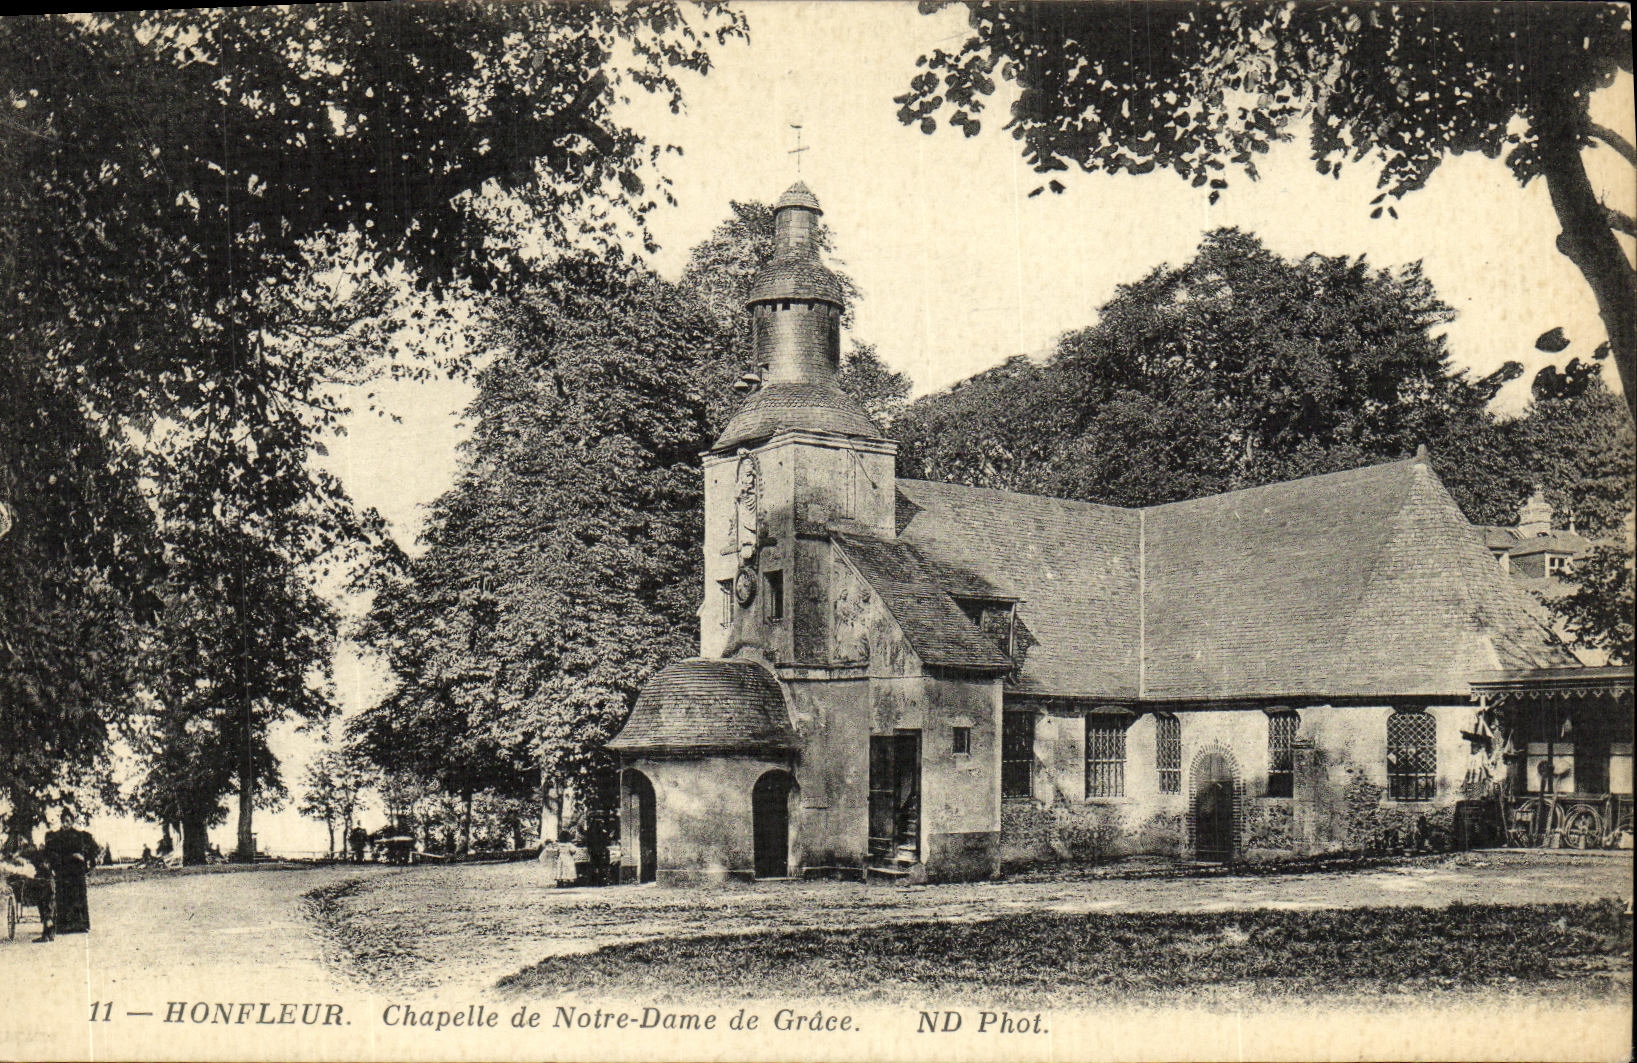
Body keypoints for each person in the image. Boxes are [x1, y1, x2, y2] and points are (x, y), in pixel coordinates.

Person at [43, 820, 98, 934]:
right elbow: (49, 852)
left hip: (77, 872)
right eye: (64, 821)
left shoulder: (80, 835)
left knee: (78, 896)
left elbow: (93, 849)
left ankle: (80, 925)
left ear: (72, 822)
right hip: (62, 871)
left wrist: (85, 859)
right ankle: (64, 926)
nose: (65, 824)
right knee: (63, 897)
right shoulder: (56, 836)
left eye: (68, 821)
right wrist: (55, 863)